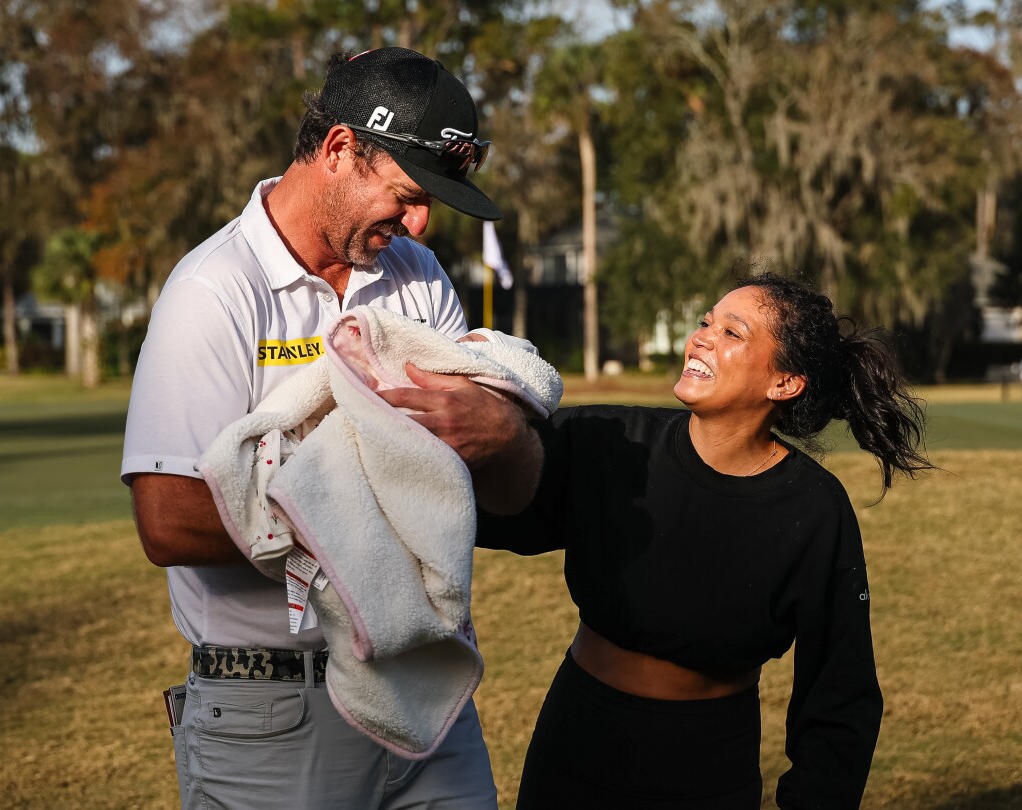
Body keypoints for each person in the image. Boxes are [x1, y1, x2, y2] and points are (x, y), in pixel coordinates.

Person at [122, 47, 541, 810]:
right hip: (273, 717)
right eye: (409, 195)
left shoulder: (416, 275)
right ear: (341, 149)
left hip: (424, 694)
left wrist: (506, 435)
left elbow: (492, 490)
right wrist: (365, 513)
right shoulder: (214, 289)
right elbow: (168, 521)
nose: (419, 223)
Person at [477, 272, 933, 809]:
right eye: (704, 322)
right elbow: (483, 507)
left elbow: (840, 693)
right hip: (578, 740)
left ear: (784, 383)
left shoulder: (813, 509)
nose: (702, 337)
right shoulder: (611, 440)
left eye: (732, 332)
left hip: (708, 763)